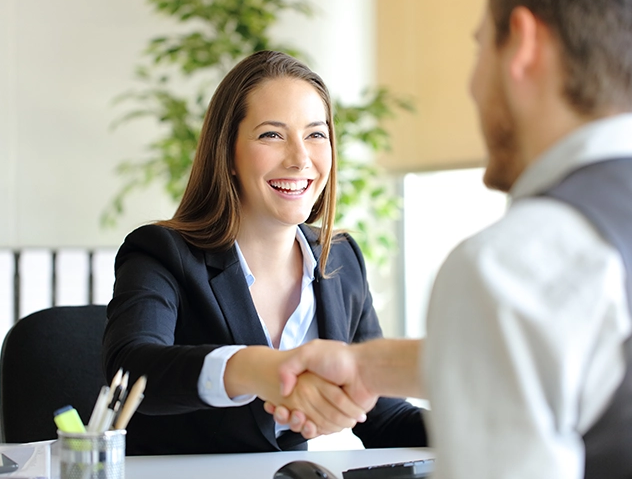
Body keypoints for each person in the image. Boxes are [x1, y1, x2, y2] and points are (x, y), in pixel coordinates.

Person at [266, 0, 632, 477]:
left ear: (522, 45)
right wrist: (370, 366)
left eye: (480, 47)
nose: (473, 85)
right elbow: (593, 363)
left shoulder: (507, 267)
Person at [102, 50, 427, 455]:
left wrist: (487, 421)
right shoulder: (162, 253)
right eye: (272, 135)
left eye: (316, 134)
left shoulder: (340, 260)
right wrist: (258, 370)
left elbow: (386, 418)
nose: (300, 159)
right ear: (229, 154)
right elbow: (131, 372)